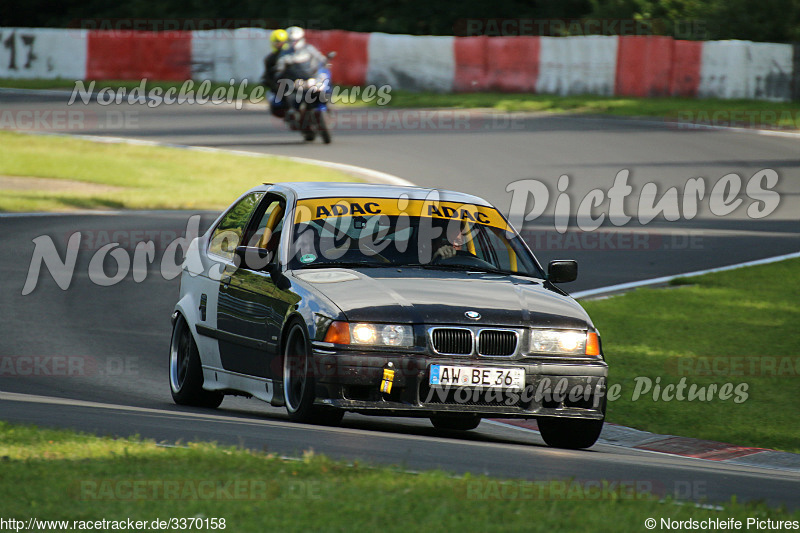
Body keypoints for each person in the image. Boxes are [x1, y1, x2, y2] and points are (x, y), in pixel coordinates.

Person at [261, 29, 289, 118]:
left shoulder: (296, 54)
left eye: (283, 42)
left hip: (298, 82)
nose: (281, 45)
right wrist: (274, 85)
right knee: (276, 103)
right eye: (278, 42)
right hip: (281, 86)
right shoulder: (270, 59)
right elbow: (267, 76)